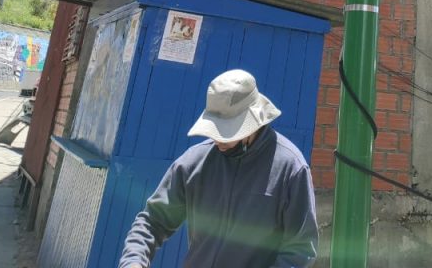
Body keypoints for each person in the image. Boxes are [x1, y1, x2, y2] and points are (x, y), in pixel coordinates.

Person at [118, 69, 319, 268]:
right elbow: (152, 221)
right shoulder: (193, 163)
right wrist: (133, 261)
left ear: (252, 123)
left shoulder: (291, 169)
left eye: (226, 130)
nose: (217, 138)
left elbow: (300, 252)